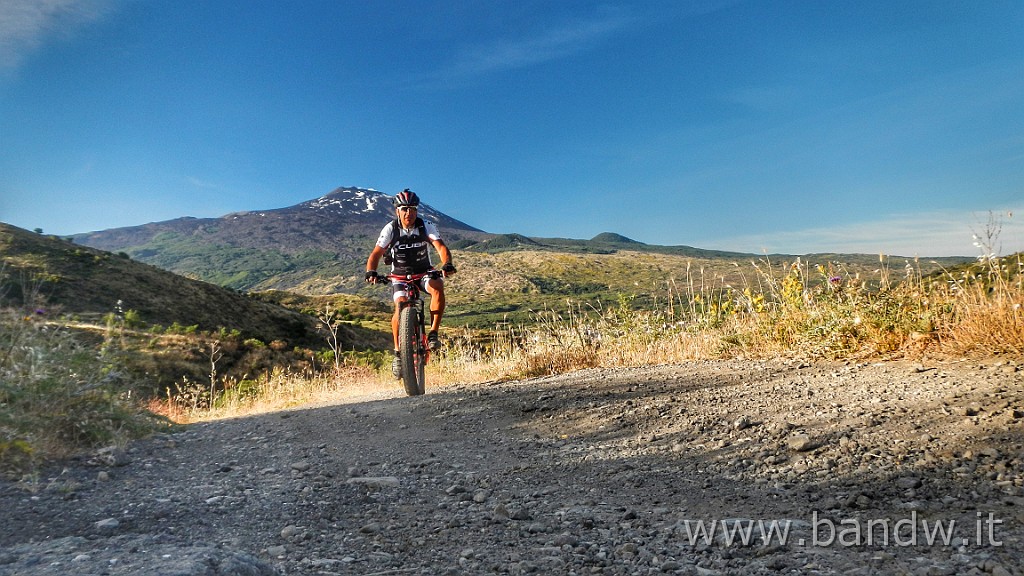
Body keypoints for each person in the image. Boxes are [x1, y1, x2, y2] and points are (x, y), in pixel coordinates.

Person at [365, 189, 456, 378]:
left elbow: (440, 247)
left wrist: (446, 264)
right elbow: (375, 254)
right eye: (405, 209)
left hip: (423, 273)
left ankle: (433, 334)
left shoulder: (426, 226)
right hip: (399, 277)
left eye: (413, 209)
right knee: (400, 306)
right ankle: (399, 353)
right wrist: (371, 271)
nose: (409, 213)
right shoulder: (391, 229)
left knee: (437, 286)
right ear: (397, 211)